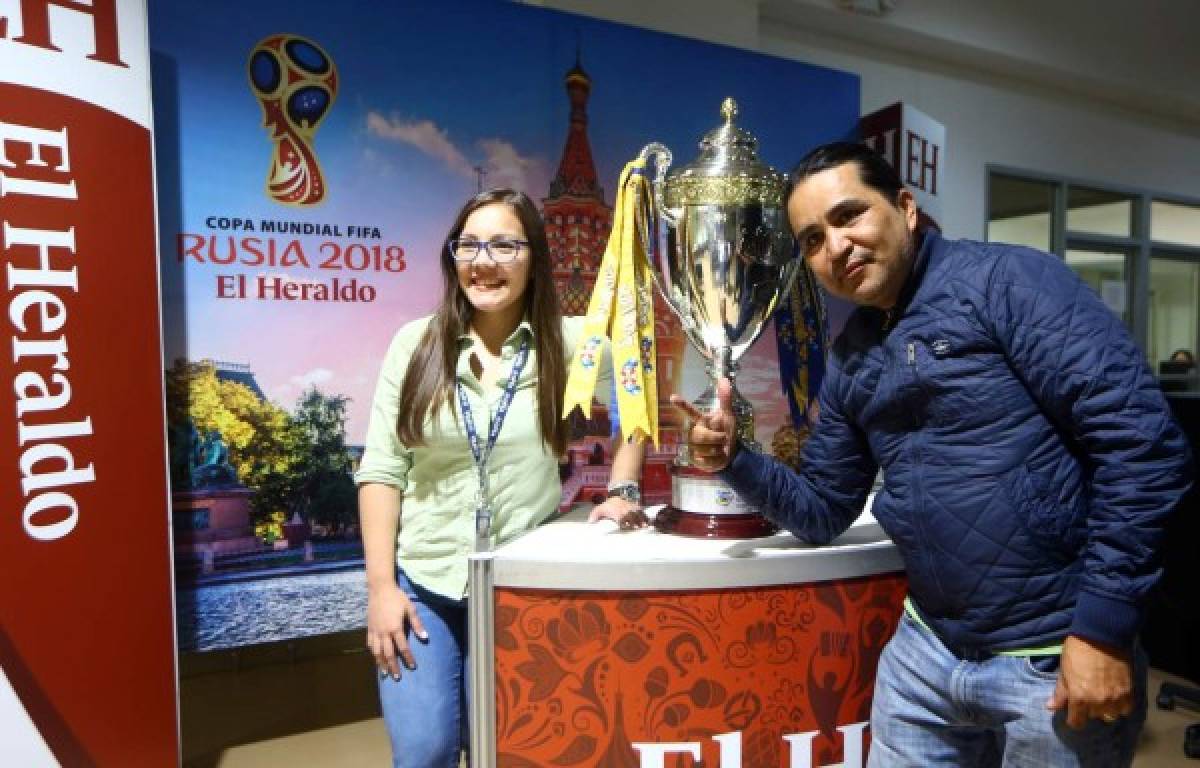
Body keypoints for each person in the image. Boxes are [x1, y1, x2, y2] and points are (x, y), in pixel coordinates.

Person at [673, 142, 1192, 767]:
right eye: (811, 239)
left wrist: (1103, 630)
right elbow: (821, 510)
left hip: (1051, 657)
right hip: (926, 656)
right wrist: (734, 457)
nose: (835, 247)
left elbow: (1143, 443)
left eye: (849, 216)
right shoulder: (851, 354)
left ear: (905, 208)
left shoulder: (1008, 283)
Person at [355, 188, 646, 767]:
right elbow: (383, 470)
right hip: (424, 581)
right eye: (468, 245)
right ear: (452, 256)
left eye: (505, 245)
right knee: (424, 749)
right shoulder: (413, 345)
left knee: (515, 744)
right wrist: (381, 589)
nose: (483, 261)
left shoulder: (573, 342)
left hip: (521, 583)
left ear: (535, 255)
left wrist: (621, 489)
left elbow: (635, 414)